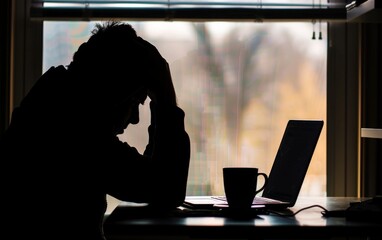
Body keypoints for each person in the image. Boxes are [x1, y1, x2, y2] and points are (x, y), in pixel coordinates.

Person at [1, 21, 190, 240]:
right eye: (135, 102)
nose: (136, 119)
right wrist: (165, 97)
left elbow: (152, 177)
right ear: (114, 92)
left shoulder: (55, 105)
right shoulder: (74, 129)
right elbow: (166, 190)